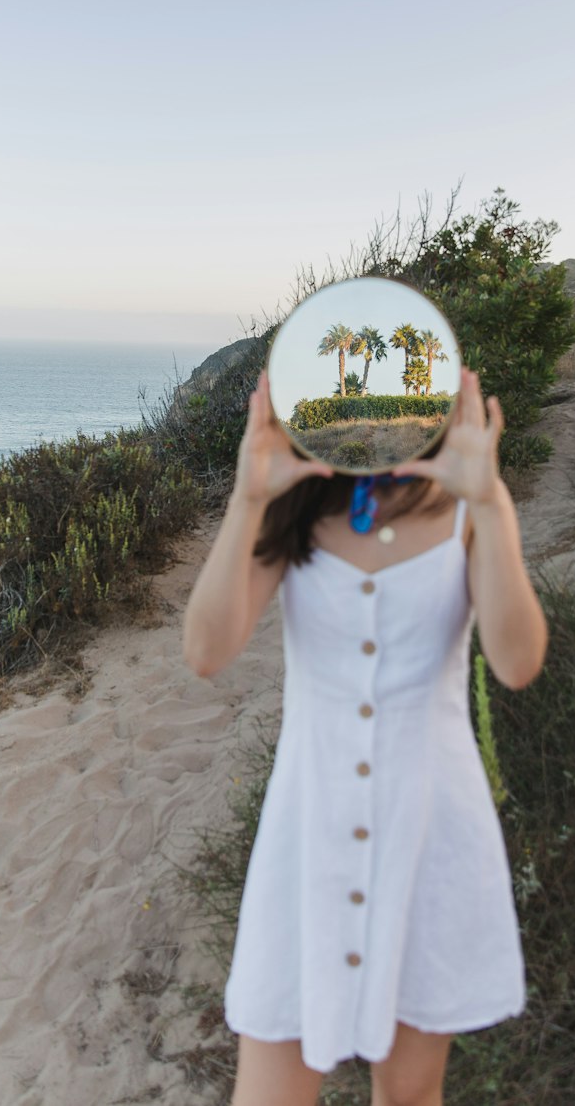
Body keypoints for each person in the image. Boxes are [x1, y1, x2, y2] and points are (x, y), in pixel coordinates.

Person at [183, 365, 549, 1106]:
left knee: (409, 1094)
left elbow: (516, 663)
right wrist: (248, 497)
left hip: (431, 831)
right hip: (307, 831)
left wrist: (492, 499)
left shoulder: (465, 507)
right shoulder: (294, 512)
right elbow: (207, 650)